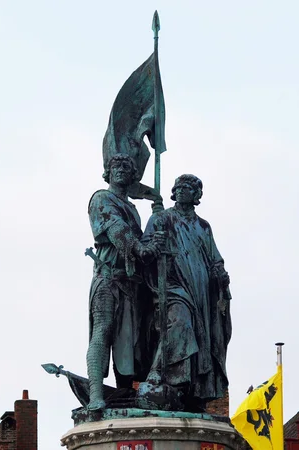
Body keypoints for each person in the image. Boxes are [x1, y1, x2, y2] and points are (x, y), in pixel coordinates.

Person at [141, 174, 232, 411]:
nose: (182, 190)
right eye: (179, 187)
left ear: (197, 195)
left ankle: (193, 392)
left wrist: (220, 274)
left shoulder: (203, 226)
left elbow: (214, 259)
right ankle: (162, 378)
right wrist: (155, 245)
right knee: (180, 322)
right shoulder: (161, 219)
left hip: (201, 290)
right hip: (171, 285)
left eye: (188, 188)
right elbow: (145, 252)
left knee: (205, 338)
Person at [86, 153, 164, 410]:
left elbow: (141, 242)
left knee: (129, 343)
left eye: (126, 167)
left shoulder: (132, 208)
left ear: (132, 176)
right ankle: (96, 394)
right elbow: (117, 230)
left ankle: (124, 394)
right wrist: (142, 248)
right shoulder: (101, 198)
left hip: (132, 283)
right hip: (108, 277)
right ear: (108, 172)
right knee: (104, 330)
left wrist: (158, 224)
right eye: (115, 166)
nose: (120, 170)